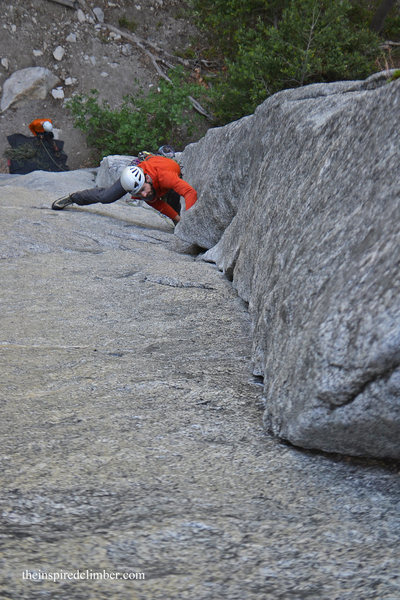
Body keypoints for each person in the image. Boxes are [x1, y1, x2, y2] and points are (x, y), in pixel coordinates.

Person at [51, 154, 197, 225]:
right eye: (139, 193)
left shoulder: (166, 178)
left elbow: (190, 192)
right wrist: (177, 219)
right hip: (137, 174)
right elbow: (156, 203)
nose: (144, 194)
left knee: (173, 199)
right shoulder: (137, 185)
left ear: (147, 179)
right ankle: (73, 198)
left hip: (164, 168)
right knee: (107, 197)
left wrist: (189, 221)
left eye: (143, 190)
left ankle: (151, 156)